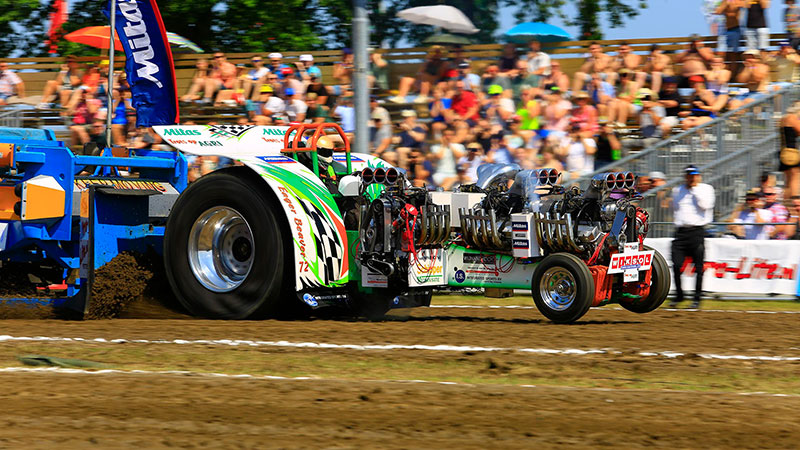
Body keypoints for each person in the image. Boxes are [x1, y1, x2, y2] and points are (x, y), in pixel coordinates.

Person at [670, 165, 715, 309]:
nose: (691, 178)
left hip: (697, 231)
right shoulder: (678, 190)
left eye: (694, 175)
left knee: (698, 267)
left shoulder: (706, 189)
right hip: (681, 231)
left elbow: (705, 205)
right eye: (689, 175)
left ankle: (697, 298)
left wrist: (694, 189)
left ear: (698, 176)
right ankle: (679, 295)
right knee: (676, 265)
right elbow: (676, 209)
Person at [779, 103, 800, 198]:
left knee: (787, 180)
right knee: (794, 177)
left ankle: (786, 202)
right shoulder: (792, 118)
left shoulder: (783, 118)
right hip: (791, 152)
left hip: (784, 151)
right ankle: (794, 199)